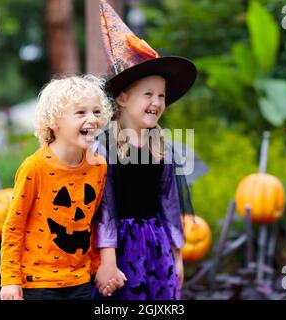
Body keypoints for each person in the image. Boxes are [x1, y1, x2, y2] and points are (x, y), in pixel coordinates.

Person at [93, 0, 197, 300]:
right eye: (148, 94)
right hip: (119, 250)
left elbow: (170, 204)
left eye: (161, 96)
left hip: (157, 246)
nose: (157, 102)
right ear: (122, 98)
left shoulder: (162, 149)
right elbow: (105, 208)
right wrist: (108, 261)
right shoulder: (105, 148)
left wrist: (177, 256)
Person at [0, 74, 124, 300]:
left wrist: (99, 267)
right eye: (80, 112)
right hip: (38, 283)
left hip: (80, 281)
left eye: (96, 112)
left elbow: (89, 221)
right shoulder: (34, 168)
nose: (93, 119)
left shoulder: (98, 166)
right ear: (54, 121)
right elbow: (14, 227)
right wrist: (10, 281)